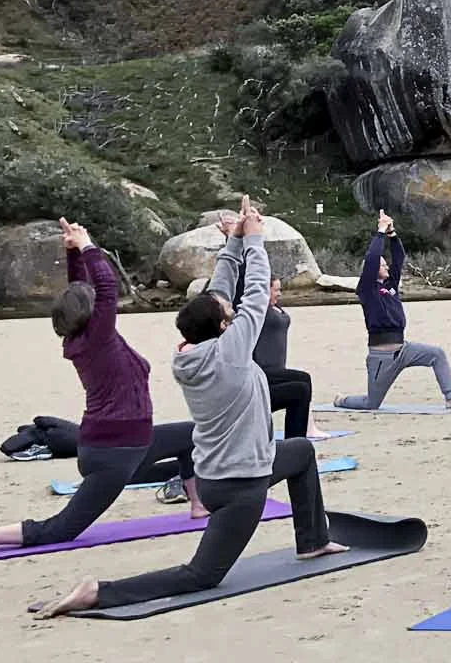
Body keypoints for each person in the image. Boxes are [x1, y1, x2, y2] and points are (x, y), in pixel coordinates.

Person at [31, 198, 348, 617]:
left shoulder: (192, 354)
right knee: (201, 575)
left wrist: (234, 242)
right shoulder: (232, 354)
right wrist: (255, 240)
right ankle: (98, 591)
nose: (234, 315)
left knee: (302, 452)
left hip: (214, 474)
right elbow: (254, 293)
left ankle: (312, 540)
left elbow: (217, 292)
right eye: (229, 315)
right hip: (241, 485)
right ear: (222, 327)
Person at [0, 217, 198, 560]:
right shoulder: (100, 339)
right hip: (115, 451)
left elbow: (80, 291)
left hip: (124, 440)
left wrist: (72, 254)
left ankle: (198, 505)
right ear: (92, 313)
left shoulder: (83, 335)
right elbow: (107, 287)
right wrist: (87, 245)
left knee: (192, 437)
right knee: (60, 530)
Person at [335, 210, 451, 411]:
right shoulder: (366, 289)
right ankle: (341, 400)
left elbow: (399, 257)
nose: (386, 265)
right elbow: (372, 259)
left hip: (404, 349)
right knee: (372, 404)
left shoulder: (390, 285)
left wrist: (392, 234)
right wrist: (379, 232)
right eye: (382, 264)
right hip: (382, 357)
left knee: (437, 354)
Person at [249, 273, 320, 443]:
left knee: (302, 384)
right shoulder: (257, 311)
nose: (279, 294)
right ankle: (296, 440)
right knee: (302, 382)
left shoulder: (275, 308)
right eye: (275, 290)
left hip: (277, 368)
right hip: (263, 369)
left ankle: (301, 435)